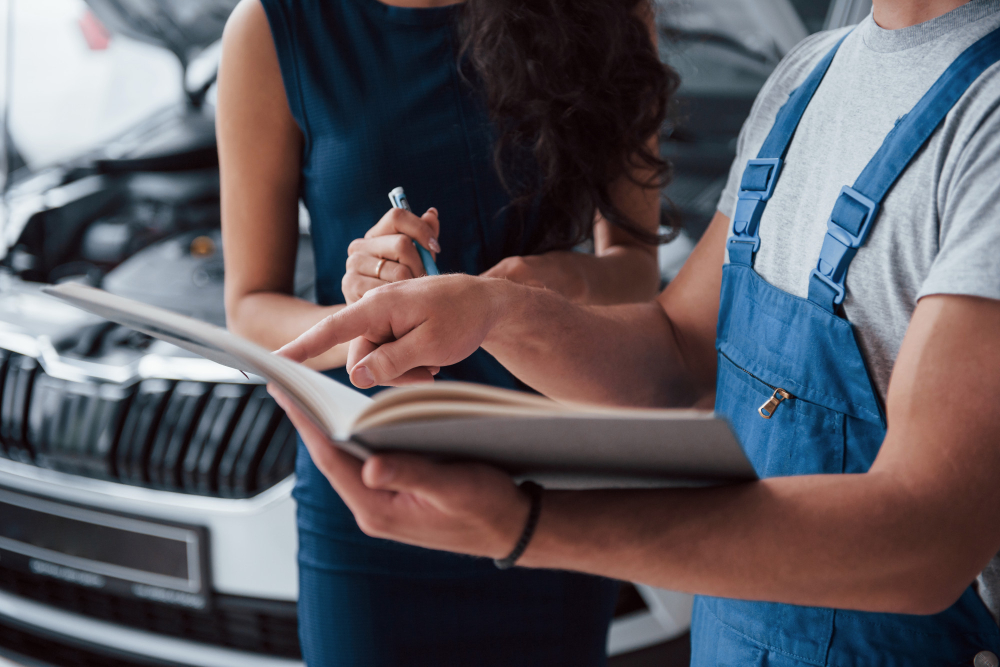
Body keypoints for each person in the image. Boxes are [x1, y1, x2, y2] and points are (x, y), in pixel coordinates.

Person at [274, 0, 1000, 663]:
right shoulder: (807, 79)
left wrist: (527, 525)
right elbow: (677, 353)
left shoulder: (986, 115)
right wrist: (492, 313)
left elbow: (926, 538)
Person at [216, 0, 677, 664]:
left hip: (555, 487)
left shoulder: (608, 8)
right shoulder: (272, 27)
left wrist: (526, 289)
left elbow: (634, 271)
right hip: (375, 498)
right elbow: (250, 310)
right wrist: (372, 322)